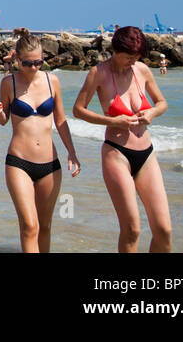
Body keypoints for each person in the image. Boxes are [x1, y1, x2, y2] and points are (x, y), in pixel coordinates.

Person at [72, 26, 172, 253]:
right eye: (128, 57)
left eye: (136, 57)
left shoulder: (143, 70)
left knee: (164, 229)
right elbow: (78, 110)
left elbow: (162, 103)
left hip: (146, 154)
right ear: (115, 50)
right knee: (132, 229)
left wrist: (152, 113)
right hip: (116, 153)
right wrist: (113, 122)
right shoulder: (99, 73)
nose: (132, 61)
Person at [0, 32, 81, 253]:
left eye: (38, 62)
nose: (33, 67)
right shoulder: (8, 83)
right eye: (28, 63)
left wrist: (72, 153)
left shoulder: (52, 81)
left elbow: (60, 120)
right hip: (18, 163)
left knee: (45, 226)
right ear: (17, 59)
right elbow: (4, 121)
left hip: (50, 164)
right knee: (30, 226)